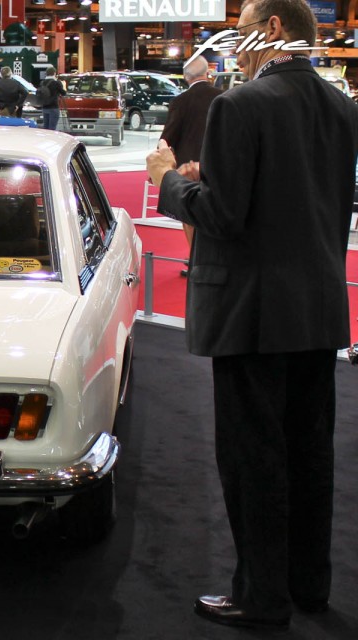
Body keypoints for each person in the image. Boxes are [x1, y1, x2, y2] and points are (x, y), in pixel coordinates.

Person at [145, 0, 358, 630]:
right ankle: (307, 586)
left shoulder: (240, 105)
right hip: (318, 306)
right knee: (309, 454)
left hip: (250, 310)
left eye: (239, 31)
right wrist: (209, 181)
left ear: (272, 30)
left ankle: (260, 597)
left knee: (253, 459)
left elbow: (224, 216)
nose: (230, 44)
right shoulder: (343, 107)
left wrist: (170, 181)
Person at [159, 55, 223, 277]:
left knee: (190, 215)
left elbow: (168, 138)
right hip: (219, 166)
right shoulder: (225, 97)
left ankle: (197, 261)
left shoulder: (180, 101)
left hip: (187, 168)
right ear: (208, 73)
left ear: (186, 77)